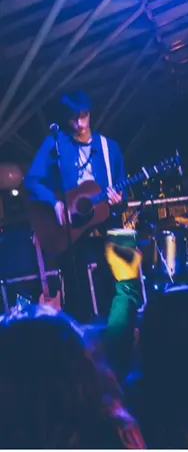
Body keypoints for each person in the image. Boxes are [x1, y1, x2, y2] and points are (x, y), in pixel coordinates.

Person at [24, 90, 127, 323]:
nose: (80, 124)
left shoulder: (109, 148)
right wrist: (56, 203)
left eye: (84, 116)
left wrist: (118, 201)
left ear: (90, 114)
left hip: (105, 223)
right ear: (66, 119)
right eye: (73, 118)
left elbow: (123, 191)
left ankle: (120, 330)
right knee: (74, 281)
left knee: (117, 277)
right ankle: (79, 336)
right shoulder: (55, 143)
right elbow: (31, 180)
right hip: (70, 227)